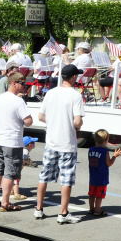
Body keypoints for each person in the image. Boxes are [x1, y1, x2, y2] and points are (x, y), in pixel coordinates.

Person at [36, 65, 86, 224]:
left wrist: (54, 121)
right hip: (67, 143)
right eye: (76, 76)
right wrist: (76, 124)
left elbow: (41, 116)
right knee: (66, 179)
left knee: (44, 176)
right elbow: (78, 121)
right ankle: (63, 213)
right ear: (72, 77)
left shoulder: (50, 93)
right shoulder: (75, 95)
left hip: (51, 141)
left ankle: (38, 209)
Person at [0, 72, 33, 212]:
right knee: (10, 173)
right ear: (14, 83)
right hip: (12, 141)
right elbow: (29, 121)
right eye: (22, 83)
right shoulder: (18, 101)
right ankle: (5, 203)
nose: (25, 86)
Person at [87, 130, 121, 216]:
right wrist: (114, 156)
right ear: (106, 141)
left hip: (92, 176)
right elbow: (109, 163)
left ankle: (91, 209)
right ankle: (97, 211)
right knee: (99, 195)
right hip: (102, 177)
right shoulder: (105, 151)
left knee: (91, 194)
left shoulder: (90, 150)